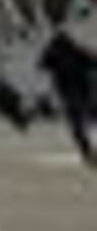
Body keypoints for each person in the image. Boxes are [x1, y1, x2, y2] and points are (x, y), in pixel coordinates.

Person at [41, 26, 97, 167]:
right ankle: (88, 151)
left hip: (67, 93)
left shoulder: (53, 54)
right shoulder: (76, 51)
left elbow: (42, 65)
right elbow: (92, 62)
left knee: (77, 125)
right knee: (91, 116)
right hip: (84, 90)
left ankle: (87, 152)